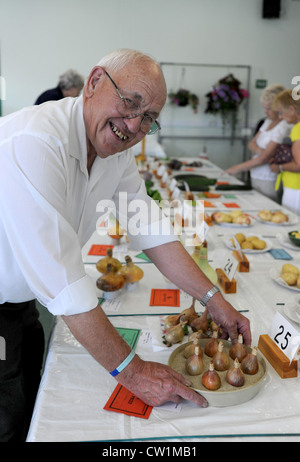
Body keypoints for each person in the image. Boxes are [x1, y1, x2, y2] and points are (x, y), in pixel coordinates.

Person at [0, 49, 251, 441]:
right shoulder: (36, 141)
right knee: (6, 409)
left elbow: (148, 225)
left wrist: (213, 298)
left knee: (30, 384)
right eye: (130, 103)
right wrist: (133, 373)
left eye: (148, 117)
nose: (135, 124)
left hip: (22, 300)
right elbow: (63, 280)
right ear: (95, 82)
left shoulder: (113, 148)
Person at [224, 84, 292, 201]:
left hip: (269, 178)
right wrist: (261, 151)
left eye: (269, 108)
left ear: (279, 107)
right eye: (264, 108)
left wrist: (236, 168)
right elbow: (252, 143)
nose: (266, 112)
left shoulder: (284, 126)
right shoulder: (267, 121)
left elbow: (264, 159)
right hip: (255, 174)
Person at [270, 89, 300, 214]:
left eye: (282, 112)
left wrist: (279, 167)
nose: (281, 116)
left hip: (296, 189)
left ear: (292, 109)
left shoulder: (297, 129)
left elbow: (298, 165)